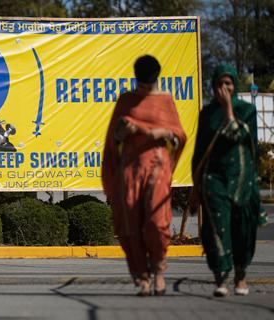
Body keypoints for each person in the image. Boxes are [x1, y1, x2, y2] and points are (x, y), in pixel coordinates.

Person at [102, 55, 186, 296]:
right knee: (129, 223)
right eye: (142, 84)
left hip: (157, 167)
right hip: (130, 169)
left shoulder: (165, 100)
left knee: (156, 223)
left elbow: (178, 135)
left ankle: (159, 269)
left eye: (149, 84)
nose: (145, 89)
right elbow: (112, 140)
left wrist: (159, 132)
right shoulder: (126, 100)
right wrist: (123, 133)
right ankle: (141, 276)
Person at [190, 64, 261, 297]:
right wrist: (195, 185)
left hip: (242, 179)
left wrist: (229, 109)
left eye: (228, 83)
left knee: (242, 228)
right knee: (217, 227)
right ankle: (221, 277)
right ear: (213, 86)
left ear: (235, 86)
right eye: (220, 84)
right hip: (214, 180)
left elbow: (240, 136)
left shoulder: (247, 111)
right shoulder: (207, 114)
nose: (224, 88)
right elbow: (199, 152)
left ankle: (241, 276)